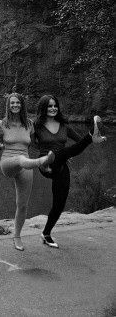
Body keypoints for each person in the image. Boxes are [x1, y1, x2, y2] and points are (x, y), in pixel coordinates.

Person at [33, 95, 107, 248]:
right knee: (62, 152)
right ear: (43, 108)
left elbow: (78, 143)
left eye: (55, 106)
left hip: (61, 163)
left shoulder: (64, 125)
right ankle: (92, 133)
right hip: (45, 164)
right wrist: (40, 155)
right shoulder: (37, 125)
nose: (53, 108)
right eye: (49, 106)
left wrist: (92, 141)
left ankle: (46, 234)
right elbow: (29, 142)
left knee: (59, 203)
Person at [0, 93, 54, 251]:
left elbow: (34, 144)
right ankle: (40, 163)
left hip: (26, 164)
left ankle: (17, 236)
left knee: (22, 205)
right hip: (8, 162)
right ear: (8, 105)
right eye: (12, 103)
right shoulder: (1, 125)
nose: (15, 105)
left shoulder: (29, 124)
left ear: (22, 105)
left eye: (18, 103)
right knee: (21, 158)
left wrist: (54, 152)